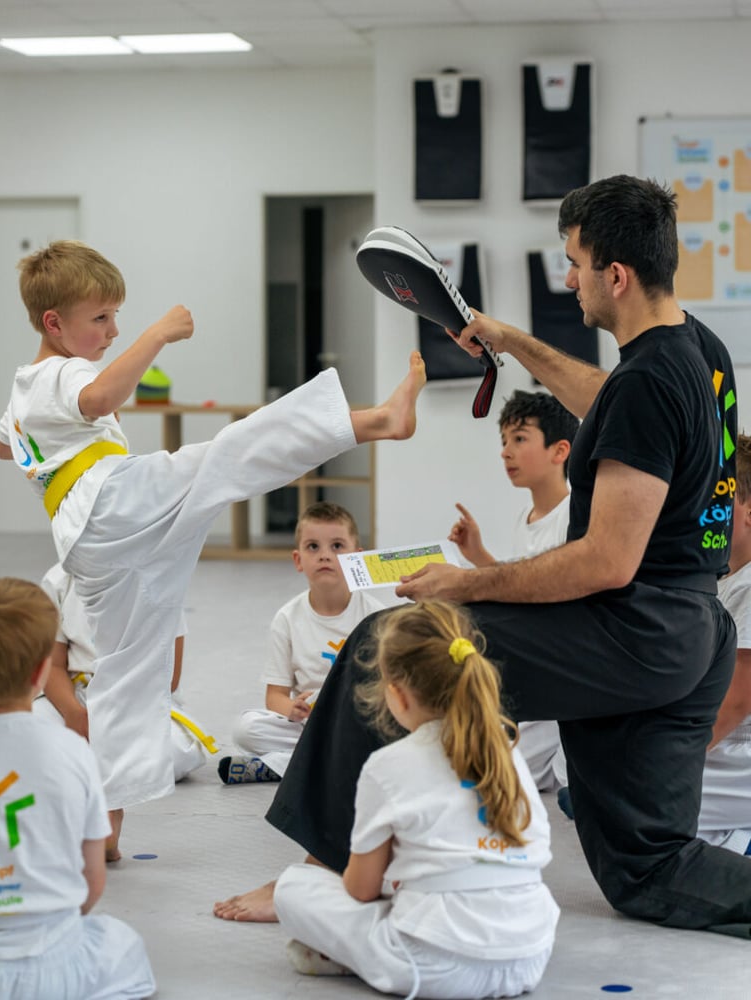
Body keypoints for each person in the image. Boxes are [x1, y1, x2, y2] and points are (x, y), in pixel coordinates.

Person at [266, 175, 751, 937]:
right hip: (692, 637)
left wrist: (465, 582)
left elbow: (605, 563)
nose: (569, 278)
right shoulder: (699, 349)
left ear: (613, 275)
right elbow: (614, 402)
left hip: (634, 632)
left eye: (574, 263)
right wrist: (514, 342)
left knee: (386, 646)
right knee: (649, 870)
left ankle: (323, 870)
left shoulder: (653, 379)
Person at [0, 240, 426, 858]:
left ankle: (105, 833)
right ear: (54, 324)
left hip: (95, 543)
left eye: (119, 318)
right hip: (114, 503)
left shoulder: (25, 389)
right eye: (101, 319)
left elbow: (3, 446)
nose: (113, 332)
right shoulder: (63, 372)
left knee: (126, 677)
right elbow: (100, 400)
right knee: (227, 455)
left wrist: (27, 439)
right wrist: (159, 333)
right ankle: (375, 421)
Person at [274, 600, 559, 999]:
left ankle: (353, 956)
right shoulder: (505, 748)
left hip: (430, 965)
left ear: (397, 694)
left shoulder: (386, 765)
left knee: (292, 887)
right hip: (528, 955)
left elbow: (360, 891)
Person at [0, 577, 155, 1000]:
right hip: (56, 964)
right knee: (123, 945)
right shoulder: (72, 752)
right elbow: (91, 880)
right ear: (42, 670)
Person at [35, 561, 216, 860]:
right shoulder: (58, 580)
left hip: (140, 701)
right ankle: (97, 787)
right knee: (28, 734)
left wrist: (111, 723)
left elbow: (167, 679)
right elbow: (52, 666)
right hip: (75, 698)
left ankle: (104, 802)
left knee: (174, 749)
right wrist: (74, 714)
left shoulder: (160, 577)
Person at [449, 388, 578, 793]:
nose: (506, 452)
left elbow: (552, 596)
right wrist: (479, 555)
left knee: (494, 775)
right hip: (530, 667)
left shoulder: (573, 515)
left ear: (560, 451)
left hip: (558, 675)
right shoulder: (527, 515)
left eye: (520, 439)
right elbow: (522, 584)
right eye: (504, 441)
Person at [218, 501, 383, 784]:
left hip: (357, 720)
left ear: (357, 558)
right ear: (298, 560)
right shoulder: (287, 619)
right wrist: (291, 709)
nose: (325, 556)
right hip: (309, 723)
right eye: (313, 547)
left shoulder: (375, 615)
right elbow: (275, 696)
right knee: (245, 729)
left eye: (337, 546)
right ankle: (331, 759)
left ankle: (284, 765)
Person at [698, 433, 751, 855]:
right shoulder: (722, 580)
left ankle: (741, 840)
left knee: (648, 800)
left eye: (717, 498)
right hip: (728, 744)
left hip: (742, 753)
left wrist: (671, 754)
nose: (703, 509)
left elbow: (736, 702)